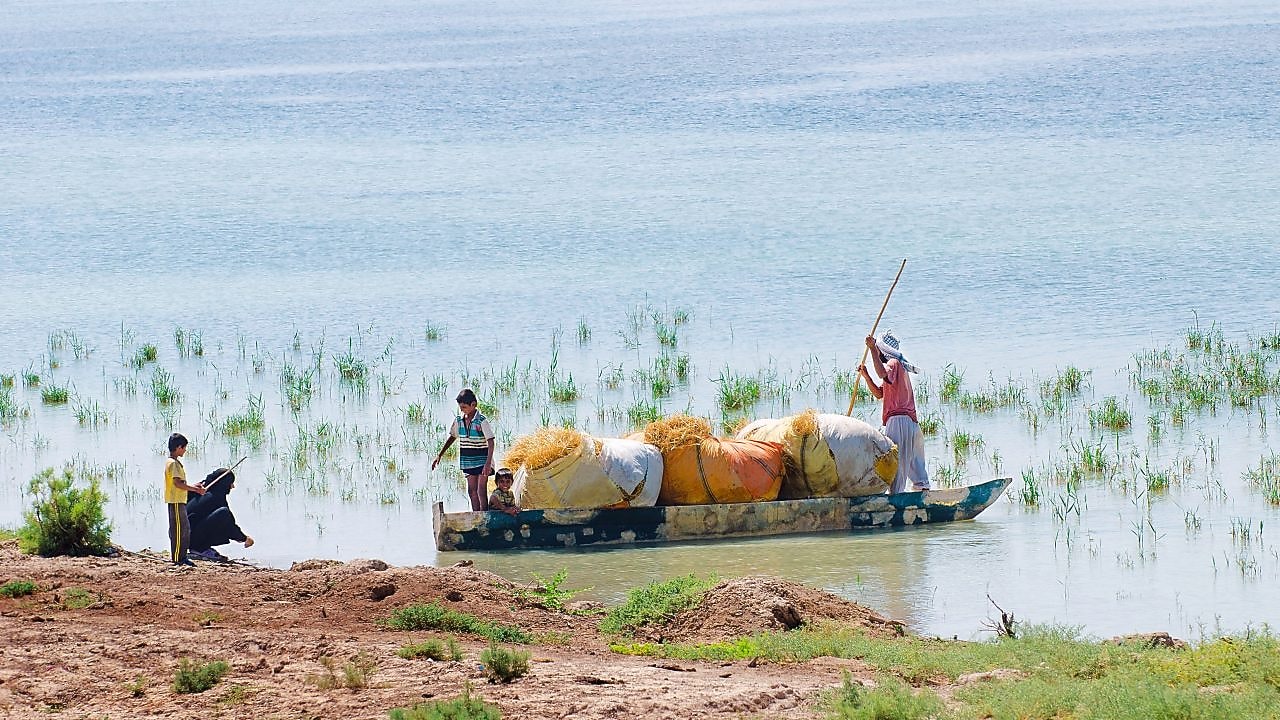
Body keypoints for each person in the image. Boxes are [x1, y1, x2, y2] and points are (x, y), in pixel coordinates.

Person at [858, 331, 931, 494]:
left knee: (896, 461)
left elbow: (882, 373)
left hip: (899, 420)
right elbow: (879, 393)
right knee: (913, 461)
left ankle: (896, 497)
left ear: (883, 350)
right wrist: (866, 376)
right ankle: (922, 491)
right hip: (910, 422)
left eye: (878, 350)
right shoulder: (898, 368)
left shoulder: (894, 364)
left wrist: (871, 350)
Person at [431, 388, 495, 510]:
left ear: (473, 405)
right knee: (472, 491)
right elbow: (452, 437)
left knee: (481, 490)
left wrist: (488, 463)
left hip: (483, 460)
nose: (462, 410)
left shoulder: (481, 420)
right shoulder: (459, 420)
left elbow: (491, 442)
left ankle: (485, 517)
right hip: (468, 461)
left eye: (464, 407)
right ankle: (476, 516)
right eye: (460, 407)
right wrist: (440, 455)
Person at [187, 468, 255, 562]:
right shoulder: (216, 497)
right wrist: (244, 538)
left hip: (185, 537)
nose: (232, 486)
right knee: (224, 513)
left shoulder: (199, 491)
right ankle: (199, 548)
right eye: (231, 483)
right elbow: (229, 523)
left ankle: (200, 546)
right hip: (192, 538)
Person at [163, 433, 206, 567]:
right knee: (178, 530)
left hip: (179, 500)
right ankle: (178, 558)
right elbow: (177, 483)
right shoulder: (173, 464)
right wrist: (195, 490)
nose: (185, 450)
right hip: (175, 501)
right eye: (184, 447)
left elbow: (180, 483)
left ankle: (182, 556)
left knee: (185, 529)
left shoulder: (174, 463)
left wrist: (194, 486)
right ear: (178, 447)